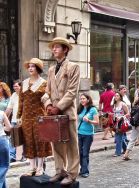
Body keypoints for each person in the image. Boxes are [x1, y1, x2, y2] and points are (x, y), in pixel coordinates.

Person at [41, 37, 80, 185]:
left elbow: (72, 91)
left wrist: (58, 107)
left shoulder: (73, 67)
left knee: (71, 145)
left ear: (65, 50)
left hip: (67, 114)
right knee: (56, 144)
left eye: (57, 47)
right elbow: (46, 92)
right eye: (53, 47)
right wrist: (49, 105)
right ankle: (59, 171)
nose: (54, 49)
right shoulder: (51, 70)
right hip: (54, 114)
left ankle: (72, 173)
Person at [17, 58, 52, 176]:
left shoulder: (44, 83)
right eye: (29, 66)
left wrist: (48, 99)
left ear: (38, 69)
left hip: (40, 116)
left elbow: (49, 98)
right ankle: (31, 167)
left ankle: (40, 168)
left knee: (40, 141)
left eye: (33, 66)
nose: (30, 68)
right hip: (26, 117)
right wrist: (18, 115)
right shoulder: (24, 83)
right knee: (28, 142)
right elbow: (21, 101)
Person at [78, 93, 99, 178]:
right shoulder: (80, 108)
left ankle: (85, 171)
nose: (82, 100)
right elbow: (78, 119)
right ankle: (82, 169)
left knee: (85, 153)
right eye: (81, 99)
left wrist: (89, 121)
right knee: (80, 153)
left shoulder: (93, 109)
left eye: (83, 98)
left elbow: (97, 122)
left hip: (88, 134)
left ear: (88, 99)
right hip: (80, 133)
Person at [5, 80, 25, 163]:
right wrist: (4, 118)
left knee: (24, 139)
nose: (15, 88)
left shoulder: (25, 95)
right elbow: (9, 108)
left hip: (23, 120)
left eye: (16, 86)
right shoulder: (13, 95)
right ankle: (11, 156)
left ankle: (24, 156)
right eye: (14, 86)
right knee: (13, 139)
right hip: (14, 120)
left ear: (21, 86)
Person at [112, 92, 129, 156]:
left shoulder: (123, 104)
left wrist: (122, 117)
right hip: (116, 122)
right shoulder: (114, 104)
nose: (115, 97)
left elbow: (128, 114)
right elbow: (114, 113)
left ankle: (117, 152)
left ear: (120, 97)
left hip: (122, 123)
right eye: (115, 96)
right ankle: (126, 149)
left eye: (117, 95)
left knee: (118, 137)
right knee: (120, 137)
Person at [0, 110, 11, 188]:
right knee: (4, 165)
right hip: (1, 140)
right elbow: (9, 128)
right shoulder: (1, 113)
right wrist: (2, 127)